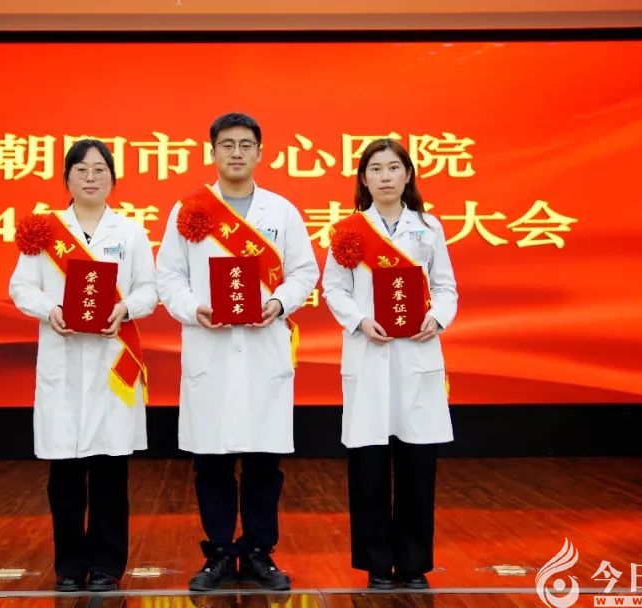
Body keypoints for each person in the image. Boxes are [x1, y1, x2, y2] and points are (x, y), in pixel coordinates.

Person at [156, 112, 319, 591]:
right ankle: (220, 553)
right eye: (227, 144)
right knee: (212, 460)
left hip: (263, 347)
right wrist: (194, 309)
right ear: (212, 152)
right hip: (211, 346)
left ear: (260, 153)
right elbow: (169, 276)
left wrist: (278, 302)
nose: (236, 152)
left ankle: (259, 551)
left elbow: (304, 272)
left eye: (246, 144)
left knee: (264, 461)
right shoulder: (188, 210)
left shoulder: (281, 211)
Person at [9, 139, 158, 592]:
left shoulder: (129, 232)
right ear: (67, 178)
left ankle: (108, 566)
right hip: (64, 358)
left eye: (99, 170)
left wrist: (125, 309)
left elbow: (149, 290)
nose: (91, 178)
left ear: (113, 179)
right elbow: (20, 287)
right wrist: (50, 309)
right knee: (66, 473)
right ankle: (70, 567)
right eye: (81, 170)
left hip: (113, 360)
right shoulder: (45, 231)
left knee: (111, 470)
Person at [321, 138, 458, 590]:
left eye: (393, 167)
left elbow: (446, 287)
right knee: (369, 466)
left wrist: (437, 317)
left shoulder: (428, 227)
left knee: (417, 464)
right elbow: (333, 288)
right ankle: (377, 564)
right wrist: (359, 320)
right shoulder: (347, 230)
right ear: (364, 178)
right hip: (369, 352)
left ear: (407, 174)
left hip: (416, 353)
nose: (385, 176)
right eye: (375, 169)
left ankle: (414, 565)